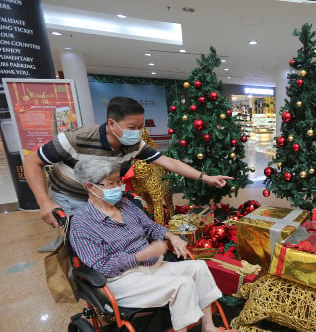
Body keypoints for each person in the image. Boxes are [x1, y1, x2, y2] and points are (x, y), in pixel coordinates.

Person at [69, 158, 241, 332]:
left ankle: (208, 328)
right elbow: (102, 267)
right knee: (182, 284)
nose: (118, 188)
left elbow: (151, 226)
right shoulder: (82, 224)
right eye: (110, 184)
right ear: (91, 187)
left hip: (152, 266)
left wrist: (172, 237)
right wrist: (142, 255)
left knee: (198, 268)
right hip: (121, 279)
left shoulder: (126, 205)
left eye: (118, 181)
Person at [24, 96, 232, 231]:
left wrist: (206, 178)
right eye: (132, 127)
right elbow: (32, 162)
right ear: (112, 123)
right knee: (81, 243)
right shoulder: (77, 138)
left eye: (140, 127)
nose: (137, 132)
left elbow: (168, 162)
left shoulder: (133, 145)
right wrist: (44, 202)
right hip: (70, 197)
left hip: (103, 196)